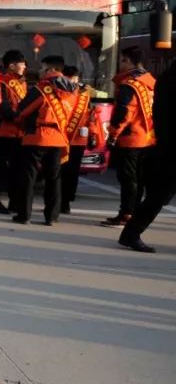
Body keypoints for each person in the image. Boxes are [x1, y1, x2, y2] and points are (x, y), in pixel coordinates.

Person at [10, 55, 79, 226]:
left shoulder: (40, 89)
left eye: (42, 68)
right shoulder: (73, 90)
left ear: (50, 70)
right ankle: (51, 216)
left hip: (37, 136)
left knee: (29, 177)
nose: (39, 72)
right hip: (58, 138)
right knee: (54, 178)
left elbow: (22, 110)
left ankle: (24, 214)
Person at [119, 61, 175, 253]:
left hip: (166, 146)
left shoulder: (168, 76)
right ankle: (131, 234)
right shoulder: (171, 78)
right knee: (158, 196)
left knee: (157, 196)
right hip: (170, 148)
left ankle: (131, 234)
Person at [102, 47, 157, 226]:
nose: (120, 65)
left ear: (128, 61)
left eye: (122, 61)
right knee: (138, 178)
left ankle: (127, 213)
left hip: (130, 139)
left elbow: (123, 114)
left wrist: (112, 135)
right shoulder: (150, 83)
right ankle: (133, 212)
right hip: (147, 137)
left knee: (128, 179)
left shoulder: (129, 86)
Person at [0, 49, 28, 214]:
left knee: (17, 169)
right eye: (22, 63)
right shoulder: (0, 82)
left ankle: (14, 202)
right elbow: (1, 106)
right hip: (2, 132)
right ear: (11, 65)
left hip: (18, 133)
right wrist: (20, 118)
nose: (25, 66)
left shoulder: (22, 82)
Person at [59, 66, 97, 214]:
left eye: (74, 79)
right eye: (69, 79)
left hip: (77, 139)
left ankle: (66, 201)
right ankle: (58, 201)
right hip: (62, 137)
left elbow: (91, 116)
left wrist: (92, 135)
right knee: (59, 171)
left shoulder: (85, 95)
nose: (72, 82)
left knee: (72, 172)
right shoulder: (60, 91)